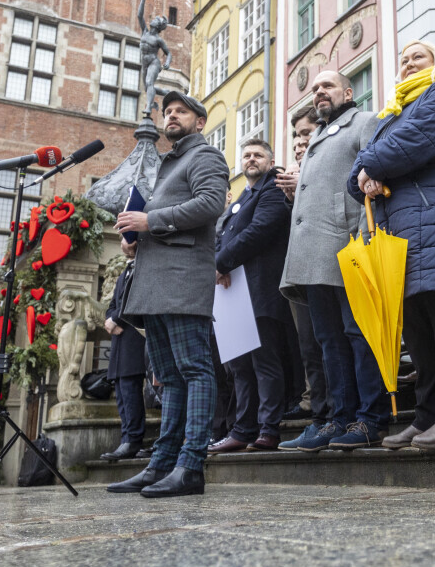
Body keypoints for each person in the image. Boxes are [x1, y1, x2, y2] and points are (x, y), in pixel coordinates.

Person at [351, 39, 435, 450]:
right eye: (404, 59)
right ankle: (426, 416)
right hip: (402, 234)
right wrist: (368, 172)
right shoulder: (393, 112)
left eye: (418, 57)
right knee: (417, 331)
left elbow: (413, 141)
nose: (409, 63)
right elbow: (356, 174)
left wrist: (372, 167)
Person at [108, 91, 228, 496]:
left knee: (194, 370)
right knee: (169, 378)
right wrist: (136, 239)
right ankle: (161, 464)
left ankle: (191, 465)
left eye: (181, 111)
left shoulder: (205, 156)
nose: (171, 116)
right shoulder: (167, 162)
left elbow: (211, 204)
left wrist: (150, 221)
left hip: (182, 280)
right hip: (156, 282)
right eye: (168, 111)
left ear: (200, 122)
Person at [279, 71, 389, 450]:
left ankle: (370, 419)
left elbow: (372, 179)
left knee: (358, 334)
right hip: (314, 254)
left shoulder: (364, 121)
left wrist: (363, 234)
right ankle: (339, 419)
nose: (319, 92)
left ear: (348, 91)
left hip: (348, 244)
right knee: (329, 341)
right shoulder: (318, 135)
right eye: (314, 89)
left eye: (327, 86)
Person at [207, 138, 292, 453]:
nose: (251, 159)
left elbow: (259, 232)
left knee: (265, 362)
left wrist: (221, 263)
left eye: (258, 155)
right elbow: (222, 236)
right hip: (234, 295)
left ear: (270, 161)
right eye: (246, 155)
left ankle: (268, 429)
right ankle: (242, 429)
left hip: (260, 290)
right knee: (240, 367)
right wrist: (219, 264)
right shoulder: (242, 197)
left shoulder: (272, 190)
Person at [276, 106, 334, 447]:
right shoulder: (293, 174)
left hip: (329, 263)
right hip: (299, 268)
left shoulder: (330, 159)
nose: (300, 143)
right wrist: (292, 197)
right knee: (310, 347)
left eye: (306, 134)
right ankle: (320, 416)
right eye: (296, 137)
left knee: (330, 344)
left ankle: (332, 415)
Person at [100, 246, 147, 461]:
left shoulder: (142, 267)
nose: (122, 242)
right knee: (120, 391)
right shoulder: (124, 272)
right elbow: (112, 304)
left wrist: (116, 319)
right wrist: (110, 320)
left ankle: (133, 439)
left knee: (130, 390)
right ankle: (126, 437)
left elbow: (135, 299)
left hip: (133, 337)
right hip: (119, 340)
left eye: (124, 238)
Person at [137, 0, 171, 118]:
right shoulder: (145, 32)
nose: (154, 19)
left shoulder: (158, 40)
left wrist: (167, 62)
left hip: (153, 62)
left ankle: (148, 108)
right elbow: (139, 16)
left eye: (157, 20)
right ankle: (165, 92)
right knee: (147, 87)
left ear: (158, 26)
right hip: (144, 63)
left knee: (149, 83)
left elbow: (168, 53)